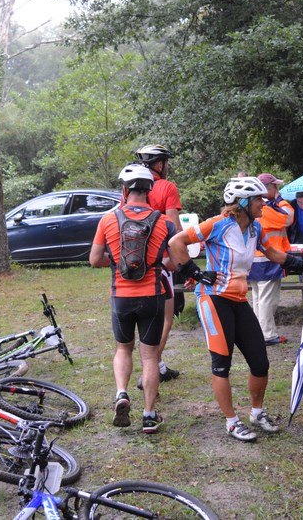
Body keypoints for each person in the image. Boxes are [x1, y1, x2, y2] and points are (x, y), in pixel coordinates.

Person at [168, 176, 303, 442]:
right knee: (222, 364)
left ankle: (257, 413)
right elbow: (176, 243)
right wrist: (194, 272)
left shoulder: (255, 229)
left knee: (260, 362)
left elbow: (273, 254)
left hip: (238, 300)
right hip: (213, 299)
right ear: (244, 202)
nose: (265, 203)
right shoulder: (217, 225)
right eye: (260, 199)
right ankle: (231, 421)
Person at [89, 164, 178, 433]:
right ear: (150, 190)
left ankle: (121, 394)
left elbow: (94, 260)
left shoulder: (108, 219)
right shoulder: (165, 223)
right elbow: (174, 263)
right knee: (150, 357)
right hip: (152, 296)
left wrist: (118, 263)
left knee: (123, 349)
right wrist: (156, 264)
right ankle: (149, 415)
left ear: (125, 190)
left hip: (121, 296)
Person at [134, 144, 182, 385]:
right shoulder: (167, 187)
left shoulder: (130, 188)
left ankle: (159, 366)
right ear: (160, 164)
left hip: (134, 261)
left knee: (143, 317)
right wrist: (184, 255)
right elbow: (174, 228)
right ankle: (150, 368)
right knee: (166, 318)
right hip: (161, 259)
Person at [247, 173, 295, 346]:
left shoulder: (256, 207)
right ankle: (267, 335)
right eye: (275, 186)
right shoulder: (268, 208)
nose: (278, 189)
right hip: (268, 259)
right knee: (268, 301)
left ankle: (260, 333)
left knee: (259, 299)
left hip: (256, 259)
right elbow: (289, 217)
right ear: (268, 189)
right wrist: (279, 199)